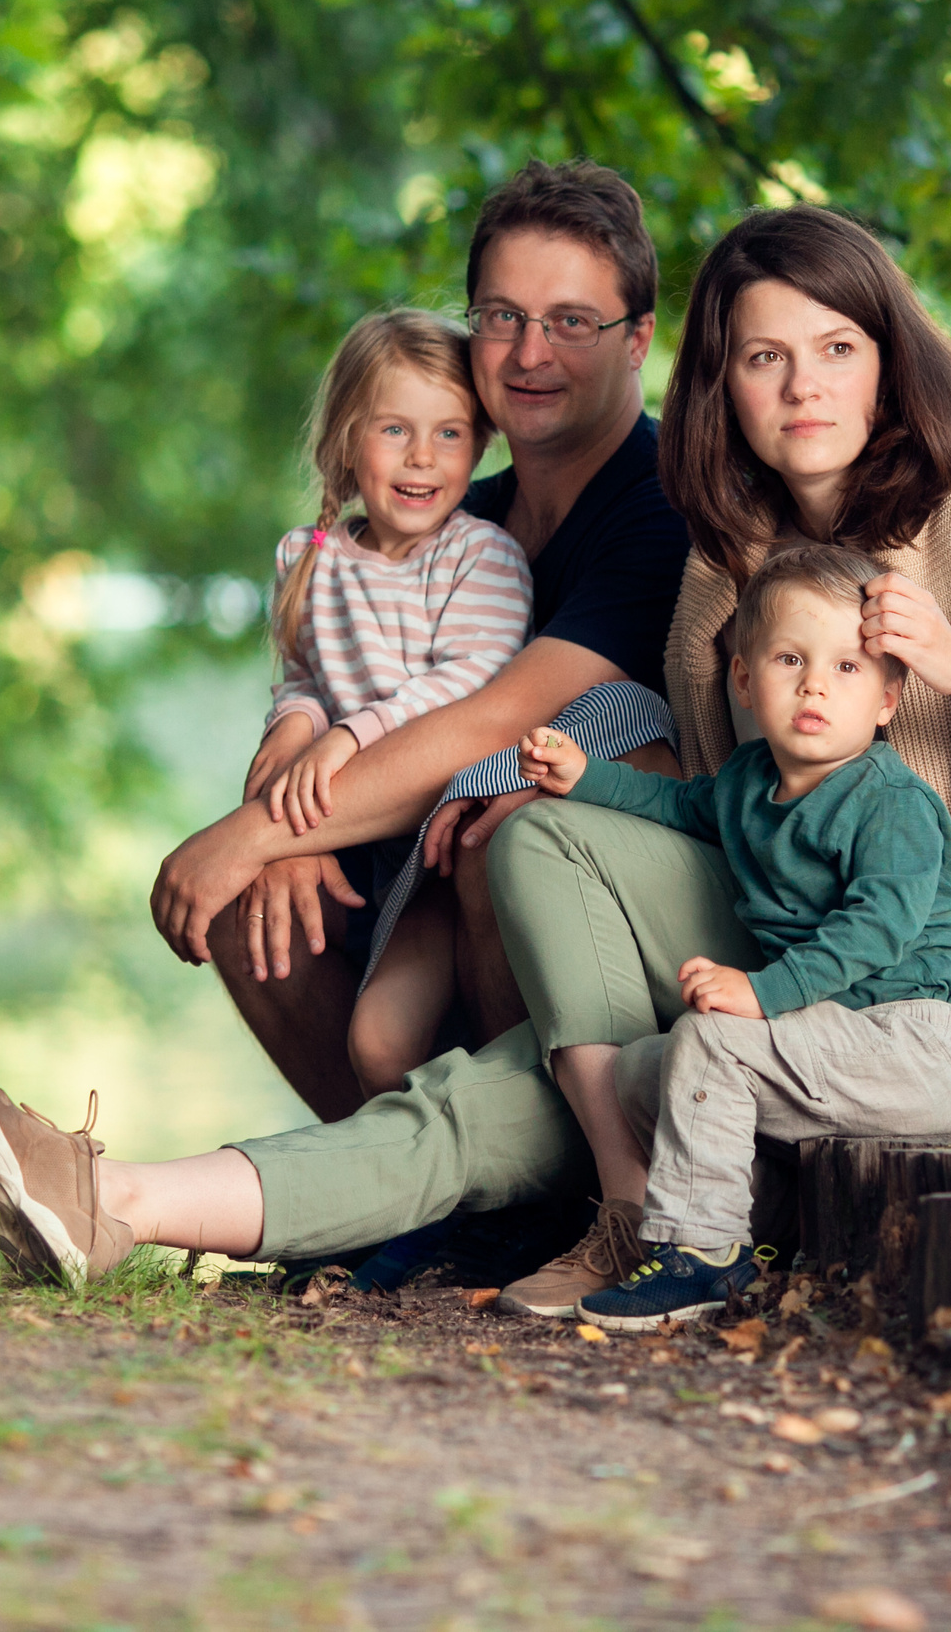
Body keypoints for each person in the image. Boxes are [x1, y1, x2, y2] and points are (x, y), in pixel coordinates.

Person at [0, 202, 951, 1293]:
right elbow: (701, 792)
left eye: (836, 350)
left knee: (516, 1023)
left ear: (887, 360)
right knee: (526, 958)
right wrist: (325, 806)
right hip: (761, 954)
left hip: (927, 984)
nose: (802, 388)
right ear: (718, 380)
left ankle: (170, 1197)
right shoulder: (721, 562)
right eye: (763, 357)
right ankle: (113, 1202)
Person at [150, 160, 690, 1126]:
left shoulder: (659, 508)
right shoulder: (452, 514)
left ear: (638, 338)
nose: (530, 352)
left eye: (571, 320)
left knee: (500, 833)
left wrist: (264, 827)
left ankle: (527, 1174)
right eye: (503, 316)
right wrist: (289, 810)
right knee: (250, 897)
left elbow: (495, 716)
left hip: (620, 899)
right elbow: (330, 670)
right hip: (418, 860)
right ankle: (399, 1183)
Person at [500, 544, 951, 1326]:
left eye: (847, 668)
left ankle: (700, 1257)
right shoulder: (748, 782)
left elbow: (877, 930)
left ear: (888, 699)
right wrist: (586, 777)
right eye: (791, 659)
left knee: (710, 1039)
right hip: (826, 1035)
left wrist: (761, 993)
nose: (816, 684)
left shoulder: (890, 802)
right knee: (639, 1073)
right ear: (744, 680)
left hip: (910, 1040)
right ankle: (762, 1219)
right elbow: (675, 804)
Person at [244, 309, 531, 1098]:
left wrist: (345, 737)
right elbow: (304, 676)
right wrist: (293, 727)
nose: (421, 456)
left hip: (442, 850)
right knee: (360, 1040)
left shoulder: (481, 556)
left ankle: (479, 1150)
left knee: (380, 1043)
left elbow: (469, 683)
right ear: (346, 439)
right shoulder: (309, 557)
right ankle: (407, 1167)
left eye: (449, 433)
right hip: (358, 841)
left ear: (481, 445)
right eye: (395, 429)